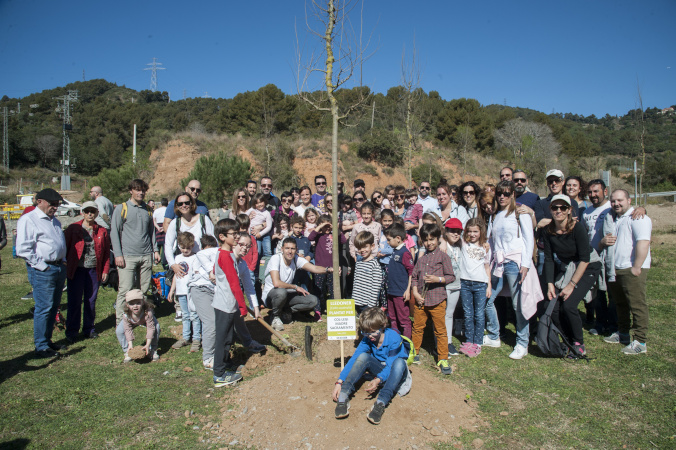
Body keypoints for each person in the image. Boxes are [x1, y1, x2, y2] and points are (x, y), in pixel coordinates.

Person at [483, 181, 542, 360]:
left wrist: (526, 264)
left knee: (519, 305)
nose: (502, 196)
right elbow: (491, 241)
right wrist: (487, 259)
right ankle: (494, 335)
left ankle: (522, 343)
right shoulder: (495, 215)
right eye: (499, 193)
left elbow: (528, 239)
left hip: (514, 263)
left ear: (512, 195)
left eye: (506, 193)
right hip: (498, 264)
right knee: (488, 298)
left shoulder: (520, 213)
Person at [332, 307, 412, 425]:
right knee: (363, 357)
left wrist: (378, 379)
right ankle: (344, 395)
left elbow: (390, 366)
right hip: (381, 370)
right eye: (366, 332)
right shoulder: (367, 340)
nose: (370, 336)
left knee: (399, 362)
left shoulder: (393, 337)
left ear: (383, 326)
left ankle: (381, 402)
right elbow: (355, 359)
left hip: (395, 373)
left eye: (373, 332)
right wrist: (340, 382)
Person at [543, 194, 601, 358]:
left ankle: (578, 343)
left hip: (588, 266)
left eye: (563, 208)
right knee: (552, 306)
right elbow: (548, 258)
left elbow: (585, 258)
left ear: (569, 210)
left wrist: (571, 285)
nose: (558, 211)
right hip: (568, 267)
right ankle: (566, 339)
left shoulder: (577, 228)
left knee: (569, 305)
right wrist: (550, 284)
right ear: (551, 210)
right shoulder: (548, 231)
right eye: (555, 208)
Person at [16, 188, 68, 357]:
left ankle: (48, 340)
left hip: (59, 267)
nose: (55, 207)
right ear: (40, 202)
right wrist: (41, 266)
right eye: (52, 204)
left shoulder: (54, 221)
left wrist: (63, 260)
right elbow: (24, 249)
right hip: (44, 269)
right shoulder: (29, 219)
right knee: (44, 307)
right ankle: (41, 345)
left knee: (54, 306)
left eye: (57, 204)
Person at [602, 189, 652, 355]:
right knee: (620, 304)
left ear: (629, 200)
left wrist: (637, 266)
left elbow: (643, 242)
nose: (616, 203)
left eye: (620, 200)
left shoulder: (638, 218)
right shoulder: (615, 218)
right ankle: (622, 333)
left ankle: (640, 341)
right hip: (616, 268)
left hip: (631, 268)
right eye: (613, 201)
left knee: (637, 305)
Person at [110, 179, 160, 324]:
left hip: (146, 255)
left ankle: (140, 318)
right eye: (137, 190)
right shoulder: (121, 208)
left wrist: (155, 250)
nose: (141, 193)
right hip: (127, 256)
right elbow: (115, 233)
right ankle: (121, 321)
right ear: (130, 191)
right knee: (125, 289)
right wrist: (118, 254)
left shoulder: (148, 210)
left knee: (143, 290)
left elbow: (151, 233)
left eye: (143, 190)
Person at [410, 223, 454, 375]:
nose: (429, 243)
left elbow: (451, 277)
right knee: (417, 327)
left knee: (440, 330)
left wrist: (437, 279)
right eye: (426, 240)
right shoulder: (421, 259)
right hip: (421, 300)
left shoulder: (443, 257)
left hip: (437, 300)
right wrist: (415, 293)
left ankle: (443, 358)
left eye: (432, 239)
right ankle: (414, 353)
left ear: (438, 239)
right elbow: (414, 277)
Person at [261, 237, 332, 331]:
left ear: (296, 250)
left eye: (292, 249)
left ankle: (285, 312)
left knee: (312, 300)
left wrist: (329, 270)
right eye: (287, 248)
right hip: (272, 296)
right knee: (281, 292)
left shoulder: (296, 259)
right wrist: (295, 287)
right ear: (282, 249)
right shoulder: (275, 259)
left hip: (286, 295)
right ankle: (275, 316)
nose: (290, 251)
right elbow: (276, 283)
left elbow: (314, 268)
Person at [64, 201, 111, 342]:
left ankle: (89, 329)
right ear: (82, 212)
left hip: (93, 270)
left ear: (97, 213)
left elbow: (106, 253)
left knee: (91, 300)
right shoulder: (73, 229)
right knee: (74, 301)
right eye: (87, 211)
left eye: (92, 211)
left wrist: (105, 270)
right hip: (77, 269)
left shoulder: (102, 231)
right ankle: (72, 331)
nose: (90, 214)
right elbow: (64, 248)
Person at [211, 219, 248, 387]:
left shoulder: (225, 254)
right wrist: (242, 305)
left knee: (227, 337)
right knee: (221, 339)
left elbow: (214, 271)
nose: (237, 237)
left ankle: (225, 364)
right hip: (225, 304)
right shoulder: (225, 256)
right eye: (234, 234)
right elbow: (234, 283)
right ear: (222, 236)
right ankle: (218, 374)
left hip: (228, 303)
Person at [582, 179, 617, 336]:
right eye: (590, 192)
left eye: (596, 191)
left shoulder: (612, 207)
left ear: (605, 191)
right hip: (593, 257)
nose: (593, 195)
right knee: (597, 293)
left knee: (613, 292)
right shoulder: (586, 212)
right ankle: (601, 323)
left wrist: (642, 209)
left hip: (610, 257)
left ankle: (614, 325)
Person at [458, 218, 492, 358]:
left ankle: (477, 343)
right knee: (468, 313)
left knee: (479, 314)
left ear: (481, 232)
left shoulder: (485, 247)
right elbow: (449, 235)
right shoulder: (463, 244)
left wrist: (489, 285)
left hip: (480, 284)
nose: (472, 234)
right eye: (470, 231)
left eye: (475, 231)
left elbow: (487, 267)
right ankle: (468, 341)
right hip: (465, 283)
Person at [164, 193, 215, 279]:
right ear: (177, 206)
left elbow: (214, 243)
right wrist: (173, 265)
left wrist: (212, 267)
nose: (184, 206)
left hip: (202, 267)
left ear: (192, 204)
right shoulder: (175, 223)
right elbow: (168, 245)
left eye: (186, 203)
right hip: (183, 268)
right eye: (180, 204)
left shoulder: (204, 219)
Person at [189, 234, 221, 370]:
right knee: (210, 321)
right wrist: (210, 275)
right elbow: (199, 273)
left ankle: (222, 350)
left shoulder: (219, 255)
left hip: (216, 291)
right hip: (201, 289)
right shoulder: (199, 257)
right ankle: (208, 357)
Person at [168, 232, 202, 352]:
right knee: (185, 315)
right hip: (181, 291)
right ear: (179, 246)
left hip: (192, 291)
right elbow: (175, 276)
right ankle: (186, 337)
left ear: (192, 246)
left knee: (194, 314)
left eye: (188, 247)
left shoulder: (196, 257)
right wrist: (172, 291)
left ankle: (196, 338)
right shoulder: (177, 258)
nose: (185, 250)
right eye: (183, 247)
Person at [308, 214, 345, 320]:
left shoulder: (334, 235)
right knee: (319, 290)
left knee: (333, 290)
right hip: (320, 268)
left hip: (333, 268)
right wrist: (320, 226)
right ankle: (318, 311)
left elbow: (343, 241)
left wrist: (335, 228)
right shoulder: (318, 236)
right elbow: (310, 237)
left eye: (329, 226)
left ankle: (333, 310)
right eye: (325, 226)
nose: (328, 228)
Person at [384, 223, 414, 338]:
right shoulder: (394, 252)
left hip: (400, 292)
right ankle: (395, 340)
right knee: (392, 317)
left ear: (398, 239)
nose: (387, 242)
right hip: (391, 291)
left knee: (403, 319)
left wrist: (407, 290)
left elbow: (411, 272)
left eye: (389, 240)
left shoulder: (405, 253)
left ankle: (407, 345)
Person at [117, 289, 160, 362]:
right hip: (132, 321)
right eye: (132, 304)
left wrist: (147, 344)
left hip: (145, 320)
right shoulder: (126, 315)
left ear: (143, 302)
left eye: (138, 303)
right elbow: (128, 329)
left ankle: (152, 349)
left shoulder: (148, 312)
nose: (135, 306)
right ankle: (127, 351)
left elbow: (150, 328)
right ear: (127, 305)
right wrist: (130, 344)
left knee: (156, 327)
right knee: (119, 331)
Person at [443, 219, 463, 356]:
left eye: (458, 231)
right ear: (446, 232)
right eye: (452, 231)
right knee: (441, 315)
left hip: (456, 285)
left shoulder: (461, 245)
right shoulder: (441, 245)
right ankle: (441, 342)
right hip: (444, 285)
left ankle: (448, 342)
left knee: (449, 314)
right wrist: (442, 239)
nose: (455, 234)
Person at [352, 231, 384, 314]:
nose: (362, 250)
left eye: (365, 247)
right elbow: (356, 282)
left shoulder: (375, 264)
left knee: (369, 324)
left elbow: (376, 286)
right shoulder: (359, 262)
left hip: (368, 303)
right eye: (359, 248)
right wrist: (354, 299)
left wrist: (371, 304)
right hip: (357, 301)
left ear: (372, 246)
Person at [247, 193, 274, 257]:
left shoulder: (267, 213)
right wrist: (249, 217)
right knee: (257, 251)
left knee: (268, 251)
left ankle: (268, 265)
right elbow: (244, 216)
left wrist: (260, 234)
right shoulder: (252, 210)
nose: (259, 204)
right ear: (254, 204)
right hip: (254, 234)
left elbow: (269, 226)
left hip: (265, 233)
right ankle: (257, 266)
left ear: (264, 202)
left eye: (261, 202)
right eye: (257, 203)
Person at [154, 198, 168, 266]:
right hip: (165, 226)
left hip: (158, 227)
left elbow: (154, 220)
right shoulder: (168, 210)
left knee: (157, 245)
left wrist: (158, 227)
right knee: (165, 245)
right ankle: (163, 260)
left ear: (161, 203)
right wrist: (164, 227)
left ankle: (156, 260)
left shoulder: (156, 210)